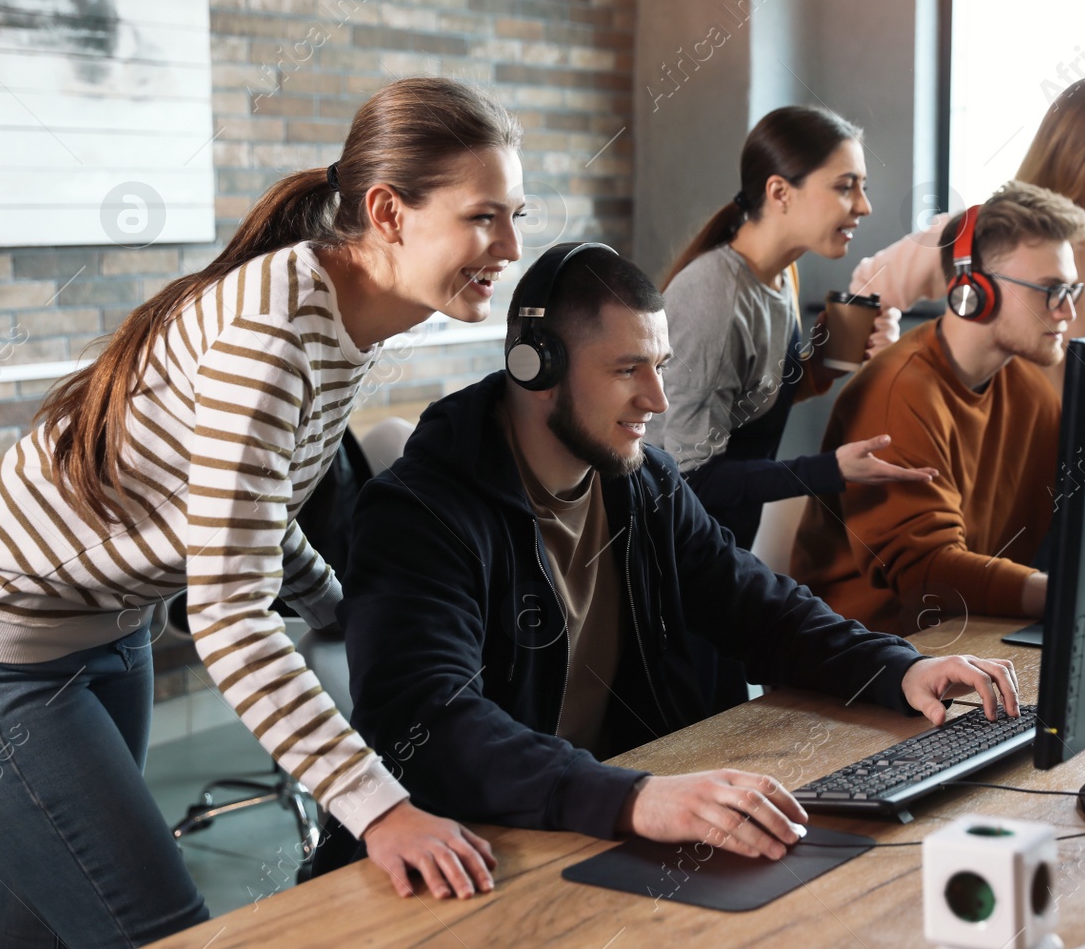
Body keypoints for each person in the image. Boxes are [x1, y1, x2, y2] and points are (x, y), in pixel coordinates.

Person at [0, 77, 515, 946]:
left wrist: (336, 607)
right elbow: (230, 616)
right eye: (485, 216)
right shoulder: (274, 332)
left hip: (110, 633)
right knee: (167, 931)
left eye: (516, 213)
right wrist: (380, 809)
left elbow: (250, 511)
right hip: (4, 658)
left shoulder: (346, 317)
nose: (510, 244)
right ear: (390, 212)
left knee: (39, 936)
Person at [330, 243, 1024, 863]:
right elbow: (430, 726)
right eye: (629, 369)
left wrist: (899, 667)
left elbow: (757, 608)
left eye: (659, 365)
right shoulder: (420, 514)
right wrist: (636, 799)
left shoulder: (642, 482)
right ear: (535, 367)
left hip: (601, 825)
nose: (657, 399)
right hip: (477, 848)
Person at [790, 182, 1085, 634]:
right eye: (1049, 290)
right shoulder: (899, 394)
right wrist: (1069, 597)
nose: (1067, 312)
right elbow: (927, 575)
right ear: (972, 290)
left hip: (967, 636)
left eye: (1071, 290)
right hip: (866, 660)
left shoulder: (1031, 392)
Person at [649, 104, 927, 553]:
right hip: (671, 561)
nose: (864, 205)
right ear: (780, 192)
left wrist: (828, 358)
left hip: (721, 550)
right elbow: (692, 477)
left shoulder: (780, 276)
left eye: (863, 187)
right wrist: (830, 469)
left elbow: (752, 396)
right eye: (845, 187)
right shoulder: (714, 295)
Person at [848, 76, 1085, 391]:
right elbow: (869, 285)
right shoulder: (988, 231)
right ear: (1069, 147)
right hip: (998, 449)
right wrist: (893, 370)